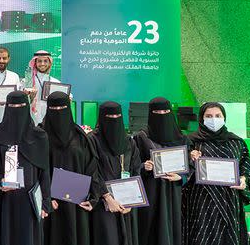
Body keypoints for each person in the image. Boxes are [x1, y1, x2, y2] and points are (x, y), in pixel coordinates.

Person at [182, 102, 250, 245]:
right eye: (208, 116)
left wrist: (243, 179)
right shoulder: (190, 141)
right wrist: (189, 157)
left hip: (229, 200)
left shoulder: (236, 142)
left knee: (229, 236)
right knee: (202, 235)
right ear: (201, 119)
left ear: (224, 118)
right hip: (201, 201)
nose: (213, 119)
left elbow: (246, 167)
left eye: (217, 115)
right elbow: (181, 169)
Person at [0, 91, 50, 245]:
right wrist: (0, 182)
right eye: (13, 106)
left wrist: (45, 203)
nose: (17, 110)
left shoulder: (39, 137)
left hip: (31, 202)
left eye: (20, 106)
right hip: (6, 202)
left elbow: (44, 171)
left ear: (27, 107)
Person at [41, 92, 102, 245]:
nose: (58, 112)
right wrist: (45, 198)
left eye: (62, 107)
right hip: (50, 204)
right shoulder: (40, 135)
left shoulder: (81, 137)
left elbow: (91, 168)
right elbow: (35, 170)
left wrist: (93, 197)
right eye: (54, 108)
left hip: (76, 203)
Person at [133, 97, 190, 245]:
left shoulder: (182, 138)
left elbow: (191, 167)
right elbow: (132, 164)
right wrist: (143, 167)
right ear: (150, 114)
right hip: (151, 191)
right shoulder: (142, 137)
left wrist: (181, 177)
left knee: (173, 228)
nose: (162, 114)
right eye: (157, 112)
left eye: (165, 111)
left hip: (174, 193)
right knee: (150, 230)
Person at [89, 101, 142, 245]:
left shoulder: (128, 142)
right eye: (110, 116)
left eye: (117, 115)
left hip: (127, 203)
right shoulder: (93, 140)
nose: (114, 119)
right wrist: (107, 197)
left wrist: (133, 200)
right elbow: (92, 172)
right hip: (104, 204)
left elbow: (135, 169)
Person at [24, 50, 60, 124]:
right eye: (39, 61)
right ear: (35, 63)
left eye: (45, 61)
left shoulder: (55, 82)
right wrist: (30, 97)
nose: (42, 64)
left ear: (49, 63)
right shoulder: (27, 81)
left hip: (50, 119)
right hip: (31, 118)